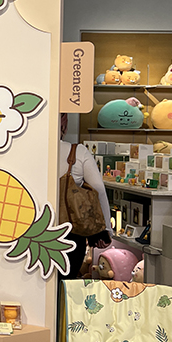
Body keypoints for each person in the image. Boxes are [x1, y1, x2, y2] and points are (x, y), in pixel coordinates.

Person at [58, 114, 113, 279]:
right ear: (64, 123)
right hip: (72, 230)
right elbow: (98, 189)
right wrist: (104, 230)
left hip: (36, 226)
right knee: (66, 280)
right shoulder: (77, 151)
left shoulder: (30, 152)